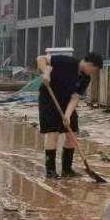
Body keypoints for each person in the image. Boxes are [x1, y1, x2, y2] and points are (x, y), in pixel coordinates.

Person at [36, 50, 104, 178]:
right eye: (94, 70)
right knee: (53, 133)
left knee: (72, 133)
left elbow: (75, 97)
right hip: (49, 99)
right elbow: (41, 58)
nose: (93, 73)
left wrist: (67, 115)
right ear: (89, 64)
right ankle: (50, 171)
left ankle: (67, 169)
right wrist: (46, 73)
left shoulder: (85, 78)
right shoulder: (67, 62)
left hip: (66, 102)